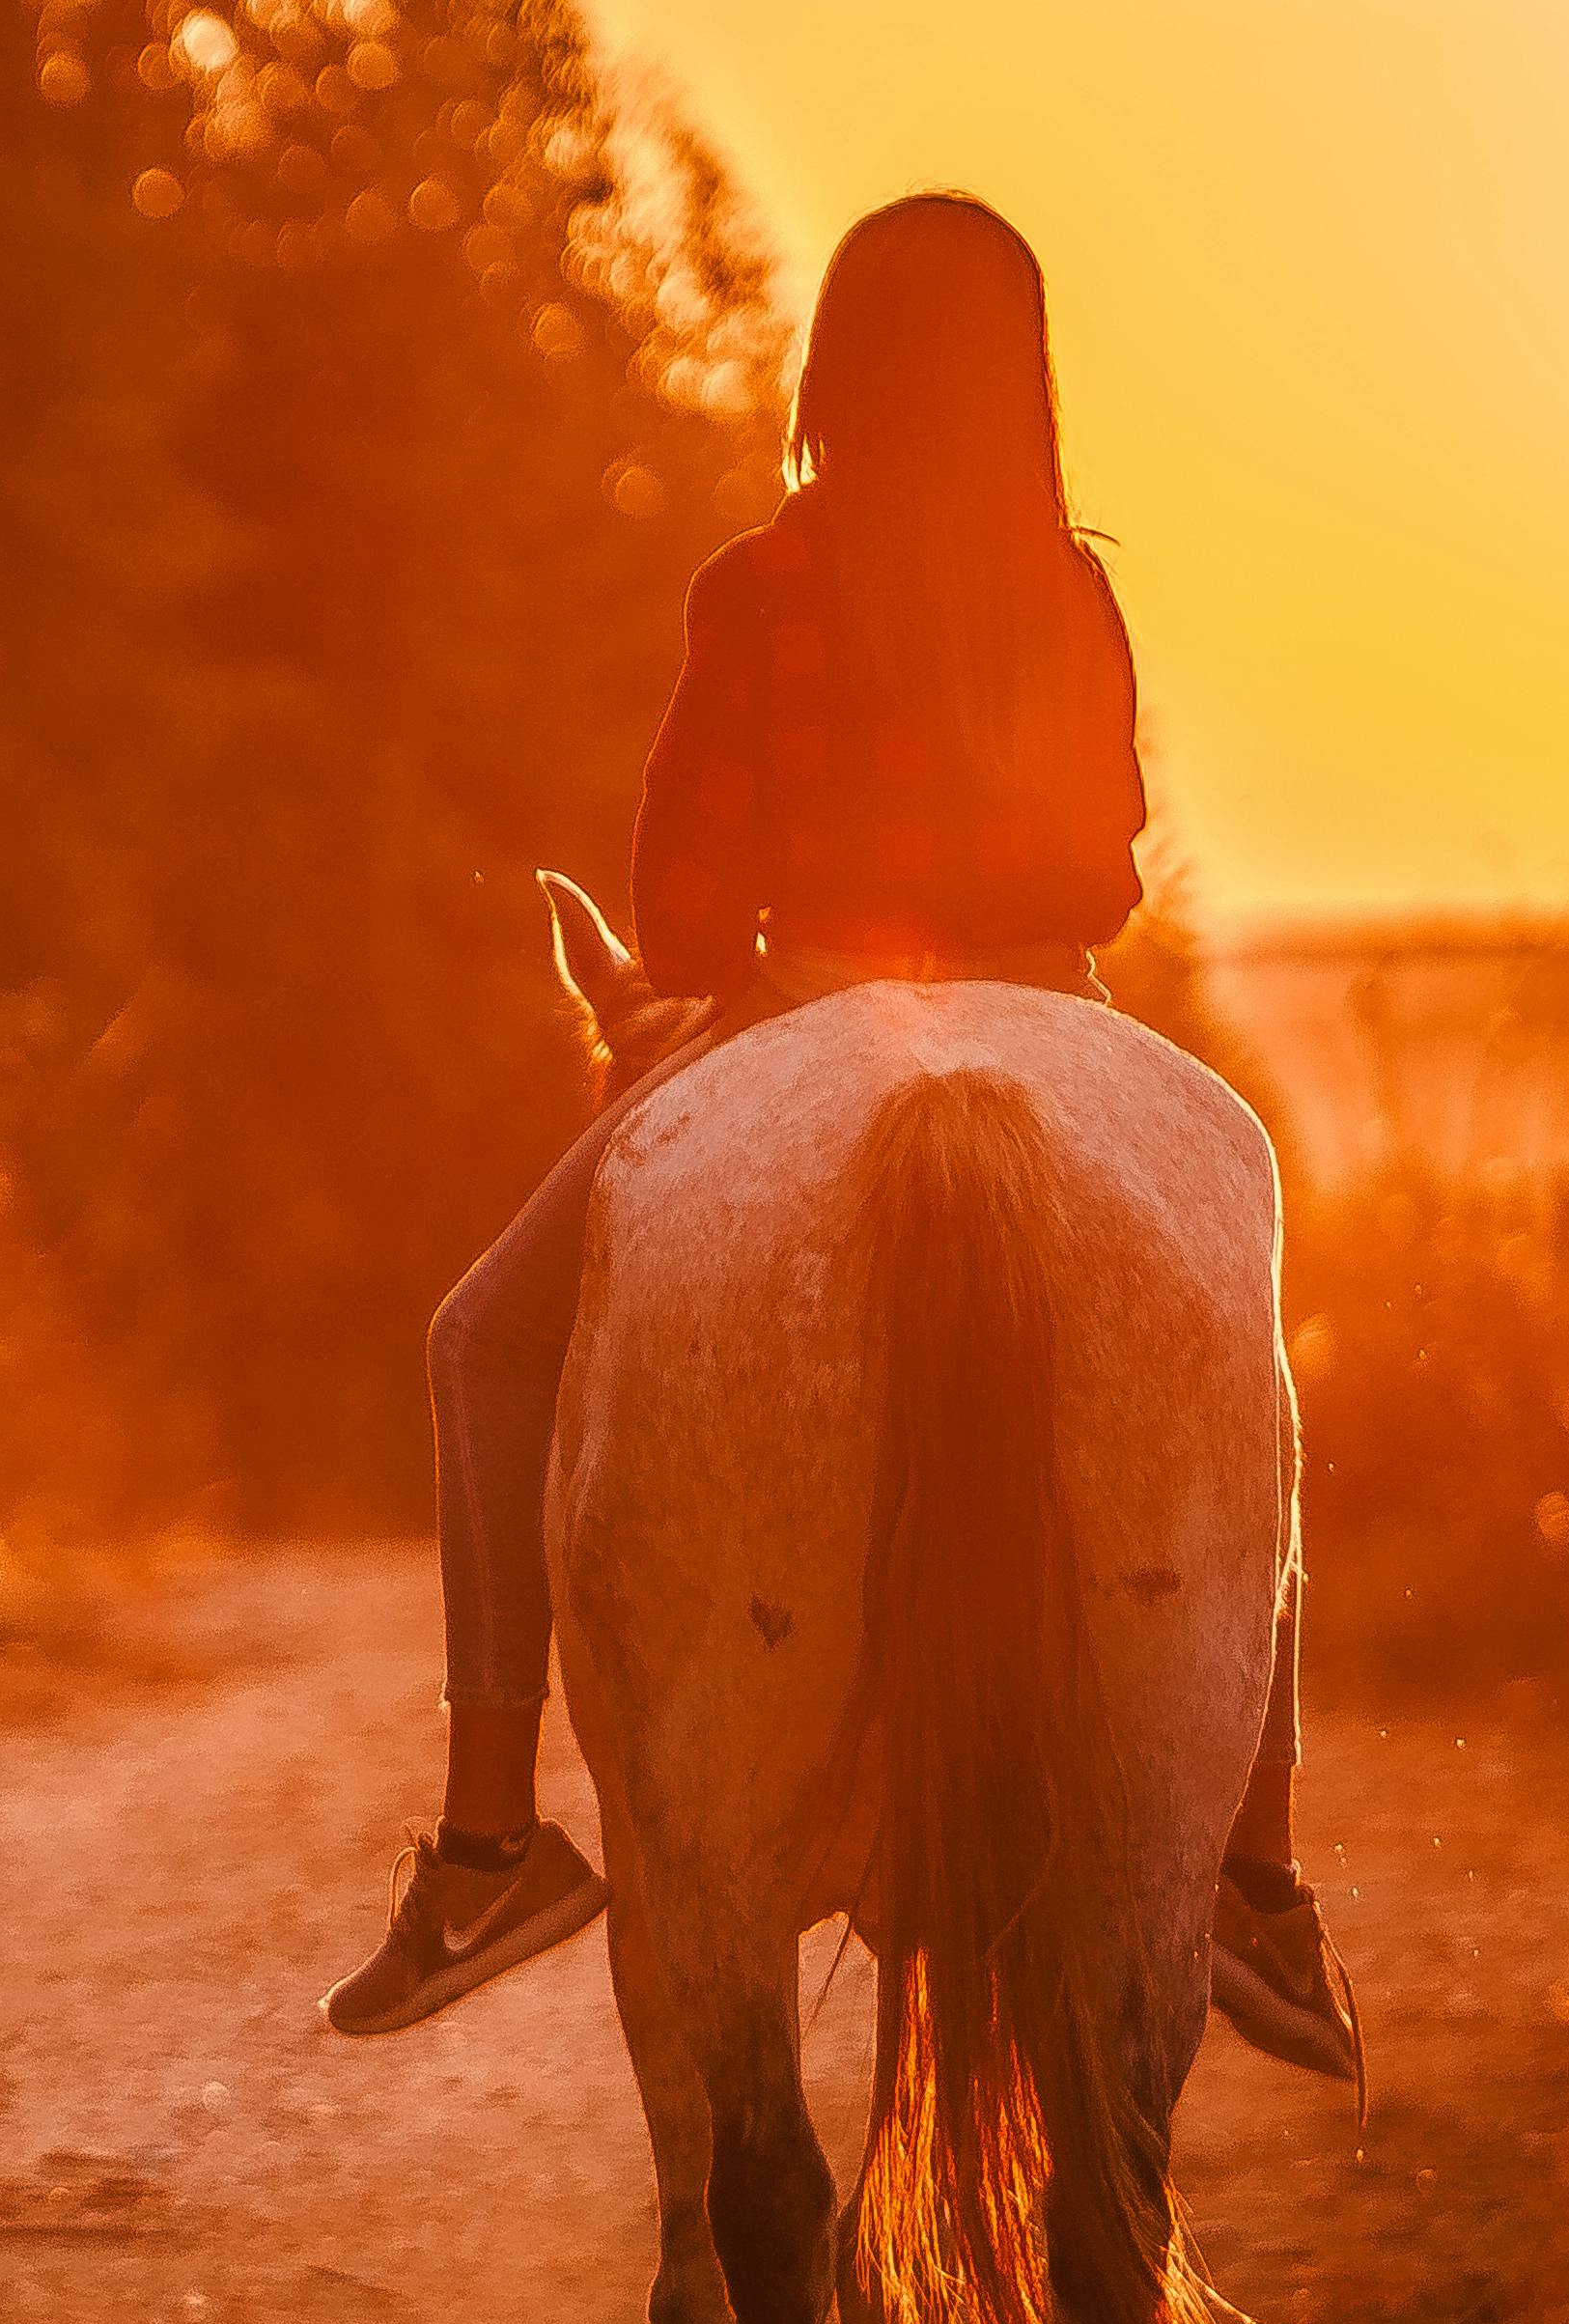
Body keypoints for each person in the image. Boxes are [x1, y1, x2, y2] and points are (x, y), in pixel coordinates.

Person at [322, 193, 1359, 2076]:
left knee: (481, 1339)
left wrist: (748, 959)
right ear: (1021, 381)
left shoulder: (761, 591)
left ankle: (486, 1844)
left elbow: (690, 913)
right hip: (1058, 1000)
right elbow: (1106, 871)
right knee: (1249, 1353)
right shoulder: (1069, 587)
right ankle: (1261, 1872)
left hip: (804, 1006)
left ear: (834, 365)